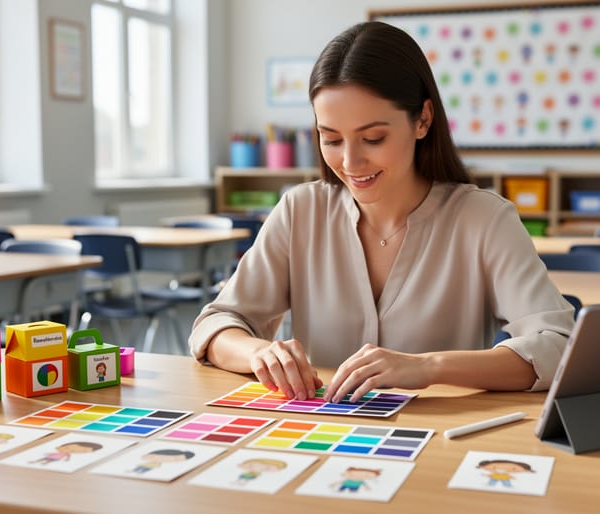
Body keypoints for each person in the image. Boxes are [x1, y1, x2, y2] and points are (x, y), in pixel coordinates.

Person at [189, 21, 573, 404]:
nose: (351, 161)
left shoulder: (483, 219)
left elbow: (558, 347)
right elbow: (215, 324)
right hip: (323, 436)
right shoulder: (299, 210)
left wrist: (428, 366)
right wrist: (258, 352)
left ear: (423, 119)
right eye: (331, 138)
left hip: (439, 443)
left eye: (373, 138)